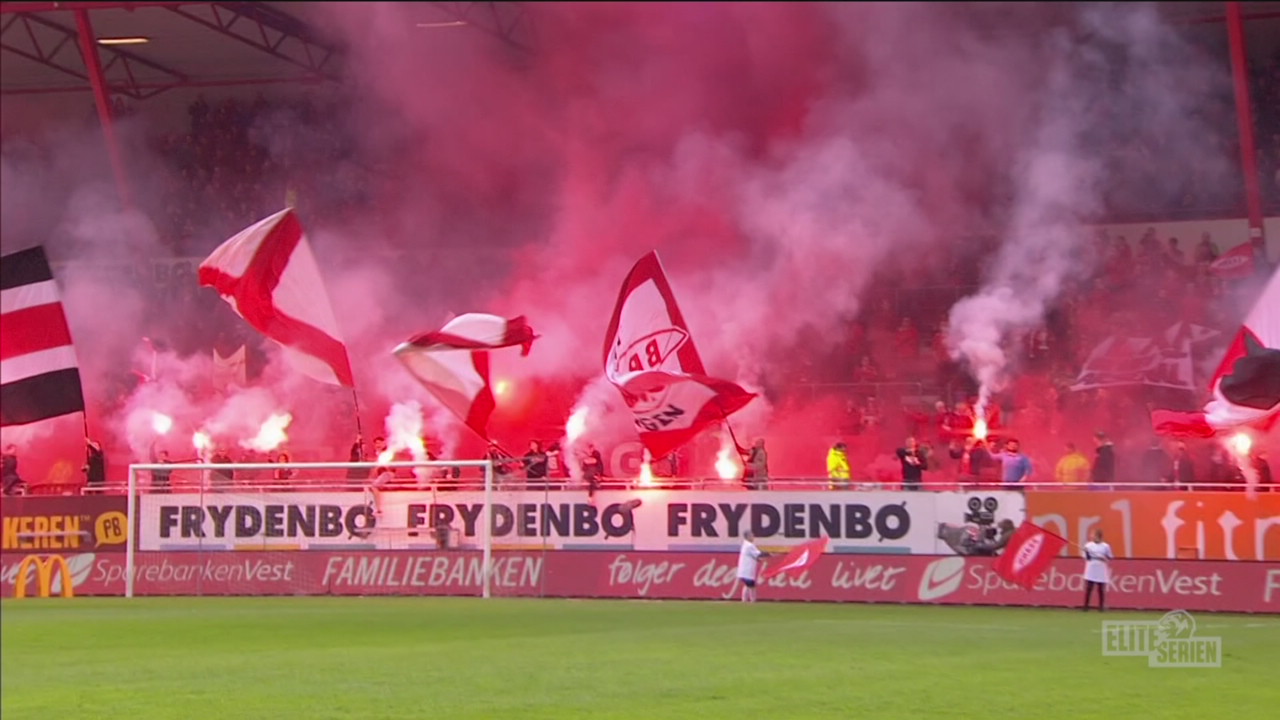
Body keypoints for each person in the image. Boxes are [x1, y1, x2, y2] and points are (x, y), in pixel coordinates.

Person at [1082, 529, 1113, 612]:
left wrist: (1103, 558)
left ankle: (1101, 607)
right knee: (1089, 587)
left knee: (1100, 588)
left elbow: (1110, 557)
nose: (1093, 537)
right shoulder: (1088, 545)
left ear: (1099, 536)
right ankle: (1086, 606)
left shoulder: (1105, 546)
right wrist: (1087, 552)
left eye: (1095, 535)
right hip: (1091, 566)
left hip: (1101, 567)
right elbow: (1087, 558)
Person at [737, 531, 769, 603]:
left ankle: (745, 600)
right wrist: (768, 554)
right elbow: (758, 554)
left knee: (748, 585)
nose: (753, 537)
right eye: (752, 536)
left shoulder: (745, 545)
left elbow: (754, 556)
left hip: (745, 569)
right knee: (751, 586)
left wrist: (759, 559)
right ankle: (752, 600)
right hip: (747, 569)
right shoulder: (749, 545)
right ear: (748, 537)